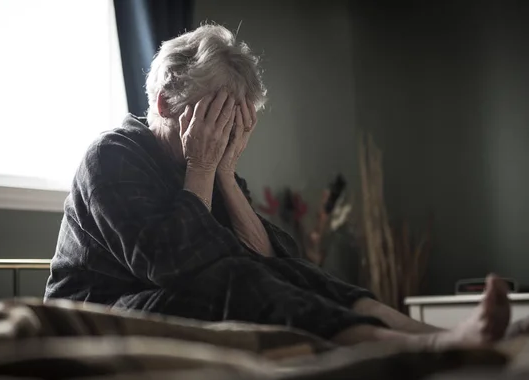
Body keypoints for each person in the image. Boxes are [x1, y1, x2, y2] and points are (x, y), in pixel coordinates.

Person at [45, 24, 511, 349]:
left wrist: (223, 174)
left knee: (294, 275)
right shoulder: (111, 155)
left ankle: (428, 336)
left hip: (158, 293)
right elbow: (173, 264)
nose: (223, 135)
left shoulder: (207, 163)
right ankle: (420, 349)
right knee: (233, 278)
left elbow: (277, 259)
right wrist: (206, 167)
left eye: (236, 122)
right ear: (166, 103)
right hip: (95, 312)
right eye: (215, 116)